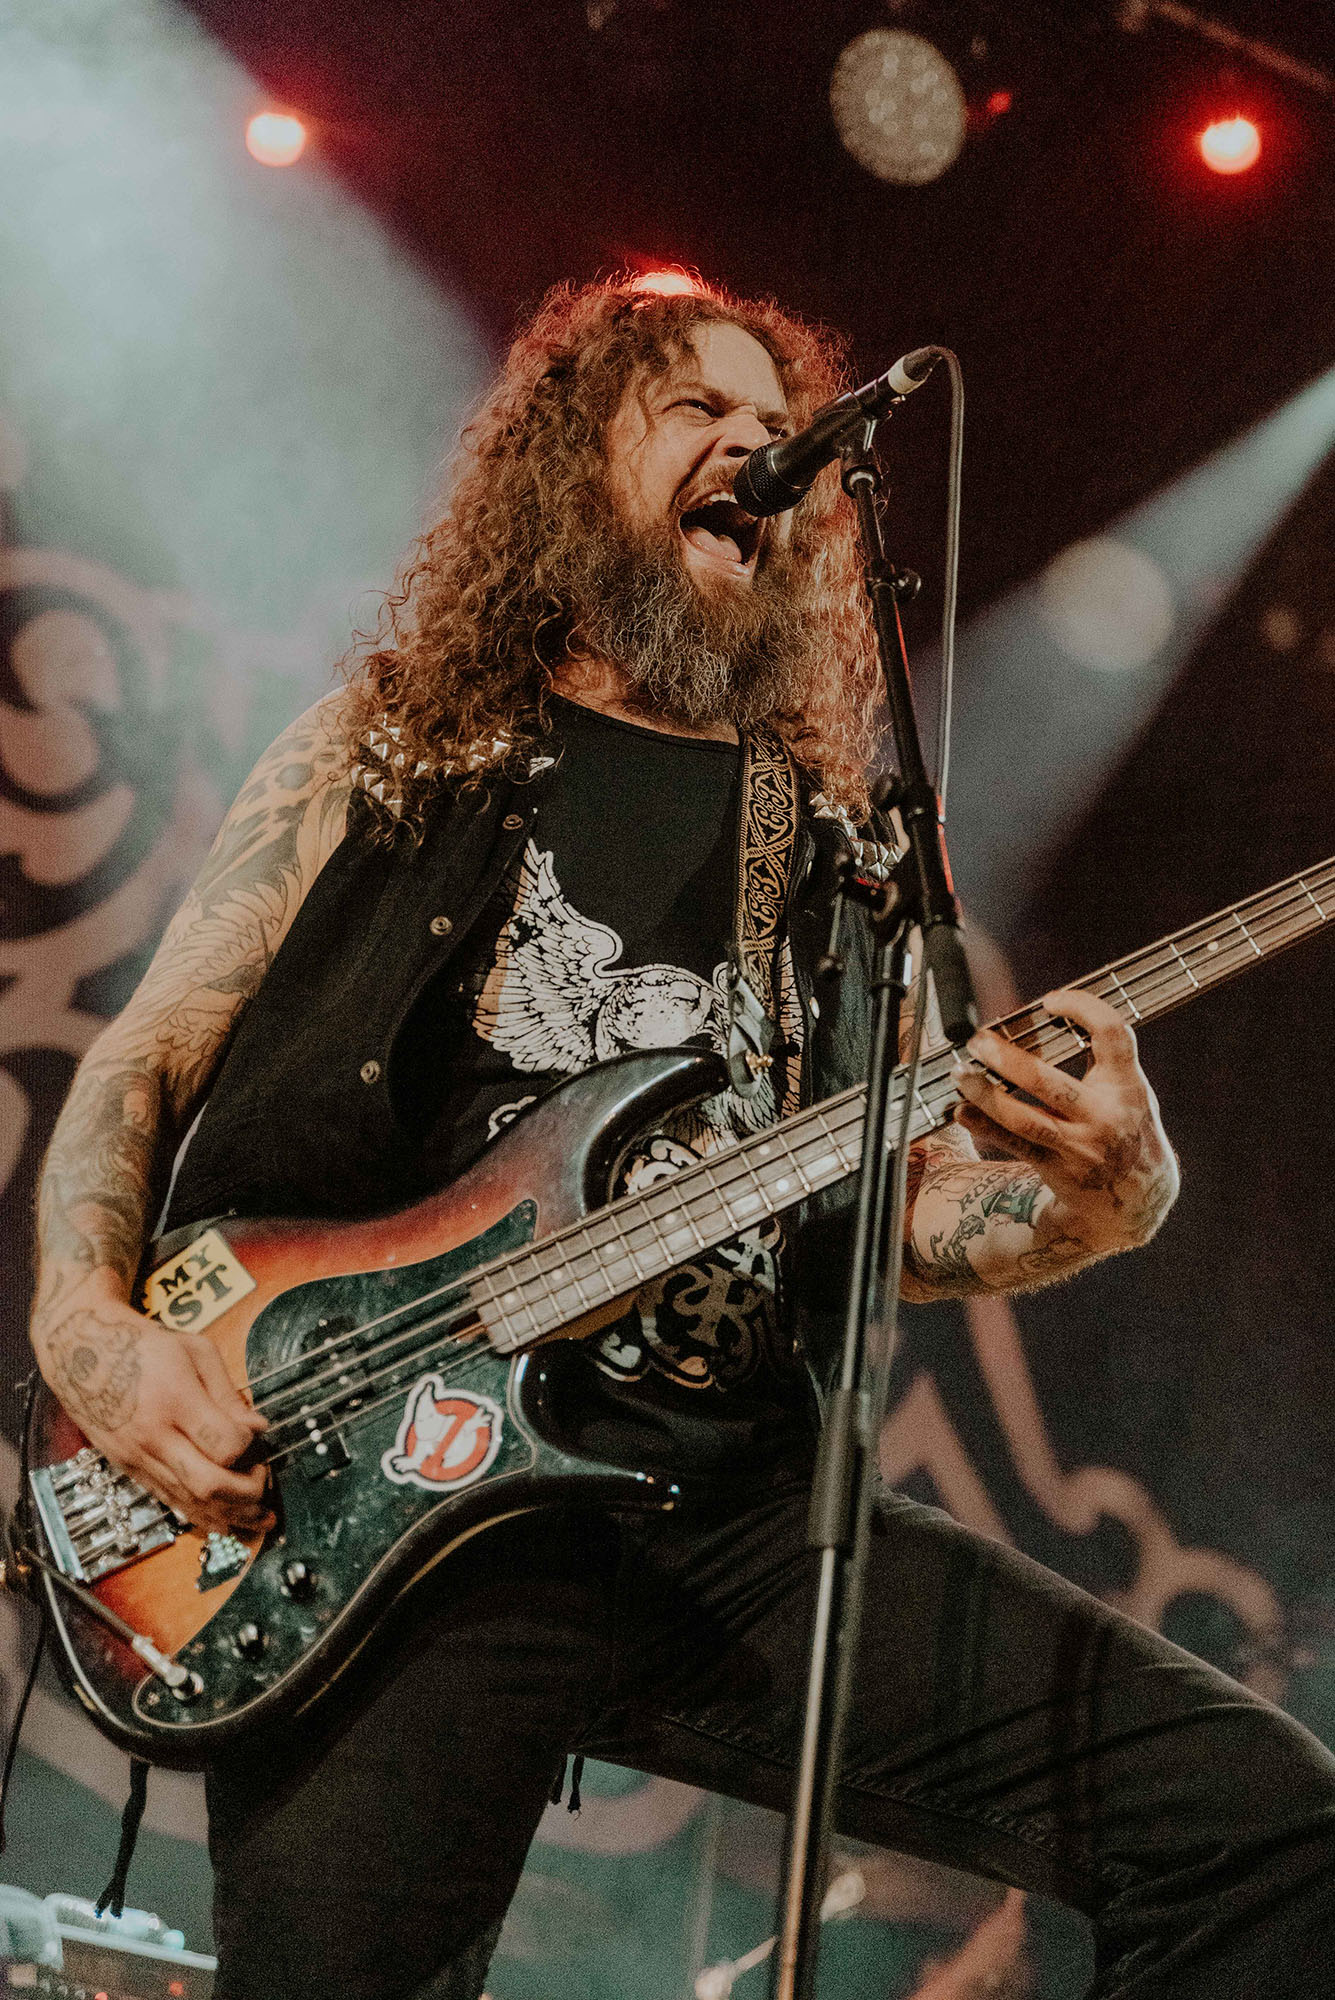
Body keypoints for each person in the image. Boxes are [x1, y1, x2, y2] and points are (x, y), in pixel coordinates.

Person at [27, 278, 1335, 2000]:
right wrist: (89, 1328)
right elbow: (146, 1061)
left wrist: (1108, 1198)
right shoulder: (402, 746)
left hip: (723, 1512)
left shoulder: (836, 847)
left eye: (772, 422)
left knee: (1261, 1824)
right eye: (694, 410)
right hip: (373, 1494)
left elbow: (908, 1220)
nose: (753, 447)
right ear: (573, 470)